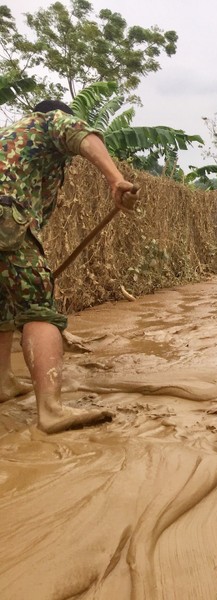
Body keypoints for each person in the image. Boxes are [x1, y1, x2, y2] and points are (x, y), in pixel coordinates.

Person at [0, 100, 139, 433]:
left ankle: (3, 383)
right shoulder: (49, 120)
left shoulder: (10, 134)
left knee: (3, 306)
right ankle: (50, 410)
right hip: (5, 218)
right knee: (38, 308)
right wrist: (116, 180)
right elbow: (82, 135)